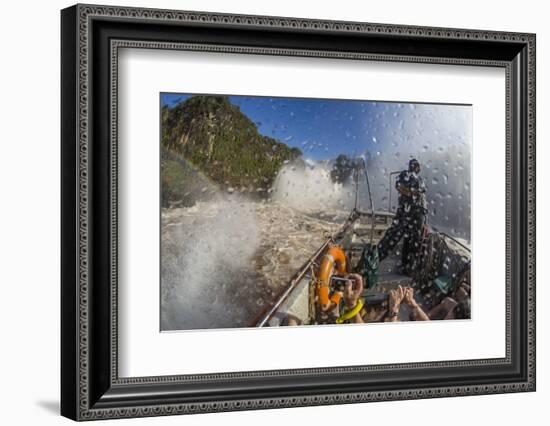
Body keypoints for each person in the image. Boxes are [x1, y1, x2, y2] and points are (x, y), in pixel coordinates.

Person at [377, 158, 428, 274]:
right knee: (394, 236)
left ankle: (408, 267)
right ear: (412, 165)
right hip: (407, 211)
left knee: (413, 240)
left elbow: (423, 193)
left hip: (419, 213)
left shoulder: (420, 179)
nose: (417, 167)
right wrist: (411, 193)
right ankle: (374, 260)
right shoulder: (405, 174)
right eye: (416, 165)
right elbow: (398, 186)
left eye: (418, 166)